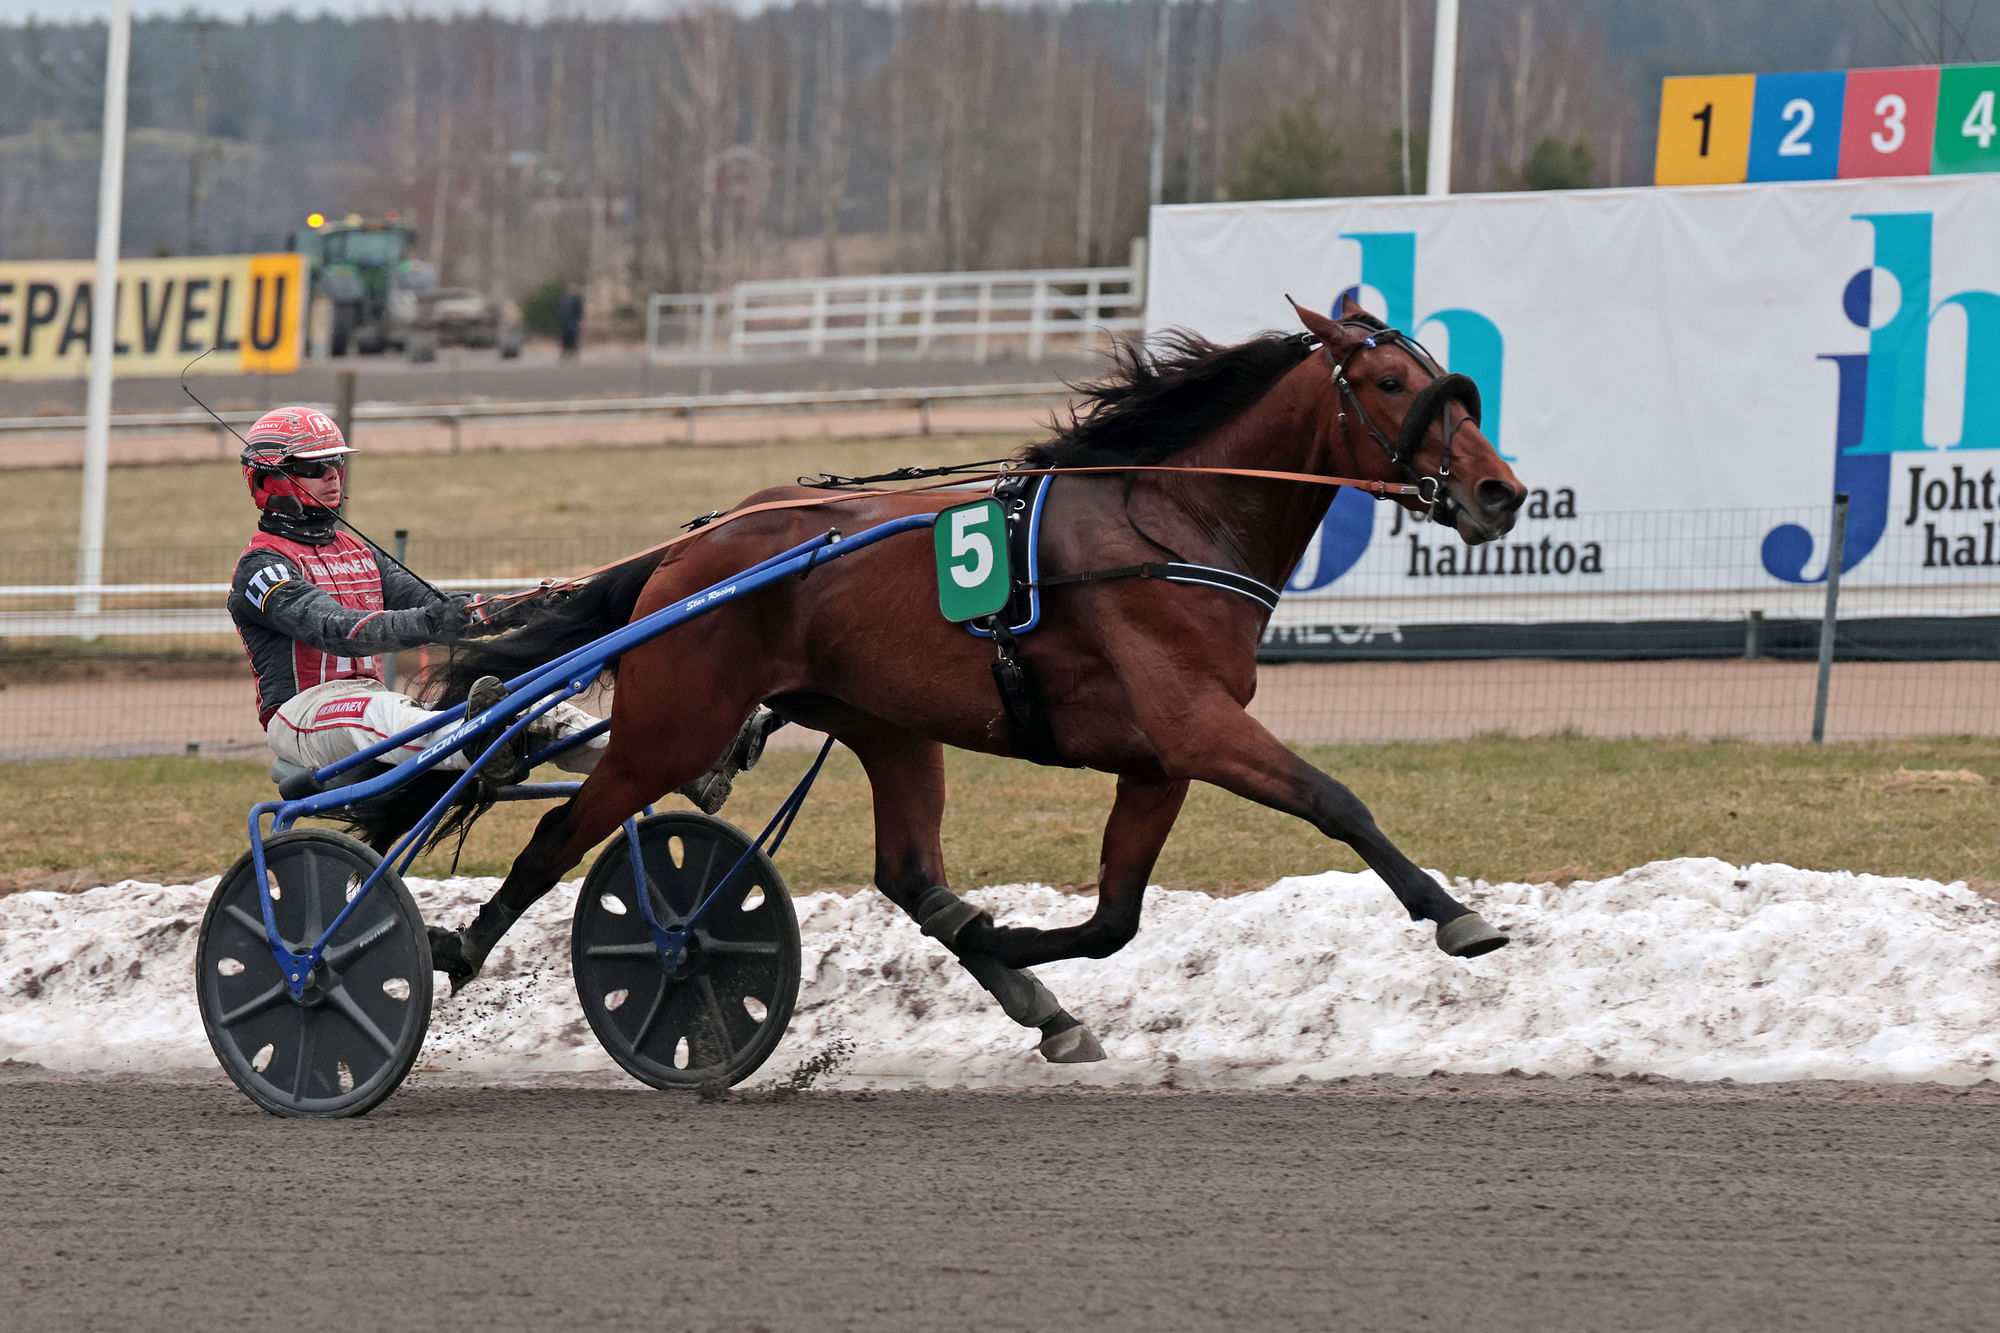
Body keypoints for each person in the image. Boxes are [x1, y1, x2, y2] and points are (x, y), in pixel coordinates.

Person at [227, 405, 607, 784]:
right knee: (381, 712)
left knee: (531, 702)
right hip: (303, 714)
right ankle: (479, 748)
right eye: (314, 467)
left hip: (374, 701)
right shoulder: (261, 567)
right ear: (267, 480)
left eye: (336, 462)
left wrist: (531, 605)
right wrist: (435, 620)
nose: (333, 475)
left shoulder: (359, 552)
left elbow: (438, 607)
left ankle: (632, 755)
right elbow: (334, 629)